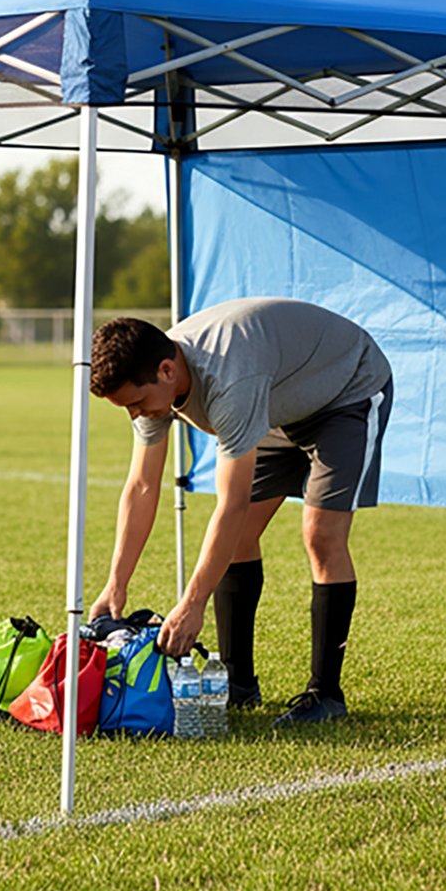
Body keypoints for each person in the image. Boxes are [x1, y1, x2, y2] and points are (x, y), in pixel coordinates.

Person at [87, 298, 393, 727]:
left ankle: (326, 694)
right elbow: (141, 486)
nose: (136, 415)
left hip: (346, 389)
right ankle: (238, 683)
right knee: (243, 534)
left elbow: (229, 504)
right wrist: (115, 585)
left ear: (167, 371)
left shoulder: (231, 380)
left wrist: (193, 603)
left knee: (321, 534)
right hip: (279, 402)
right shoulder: (154, 381)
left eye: (136, 403)